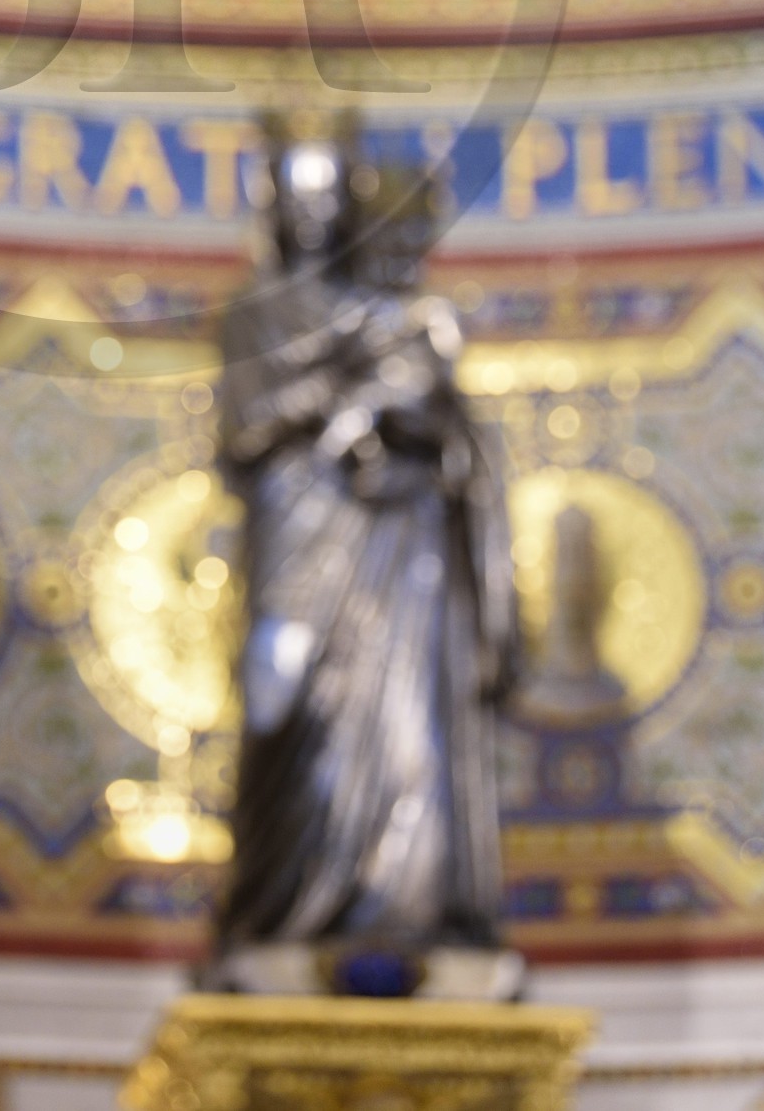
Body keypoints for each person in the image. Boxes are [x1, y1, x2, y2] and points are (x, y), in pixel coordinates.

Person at [214, 131, 517, 991]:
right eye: (297, 204)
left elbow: (454, 426)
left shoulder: (404, 319)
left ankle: (404, 904)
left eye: (327, 205)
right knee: (291, 714)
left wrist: (407, 415)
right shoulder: (255, 310)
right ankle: (287, 901)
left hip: (400, 545)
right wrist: (341, 402)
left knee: (405, 721)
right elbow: (245, 431)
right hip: (300, 529)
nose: (314, 221)